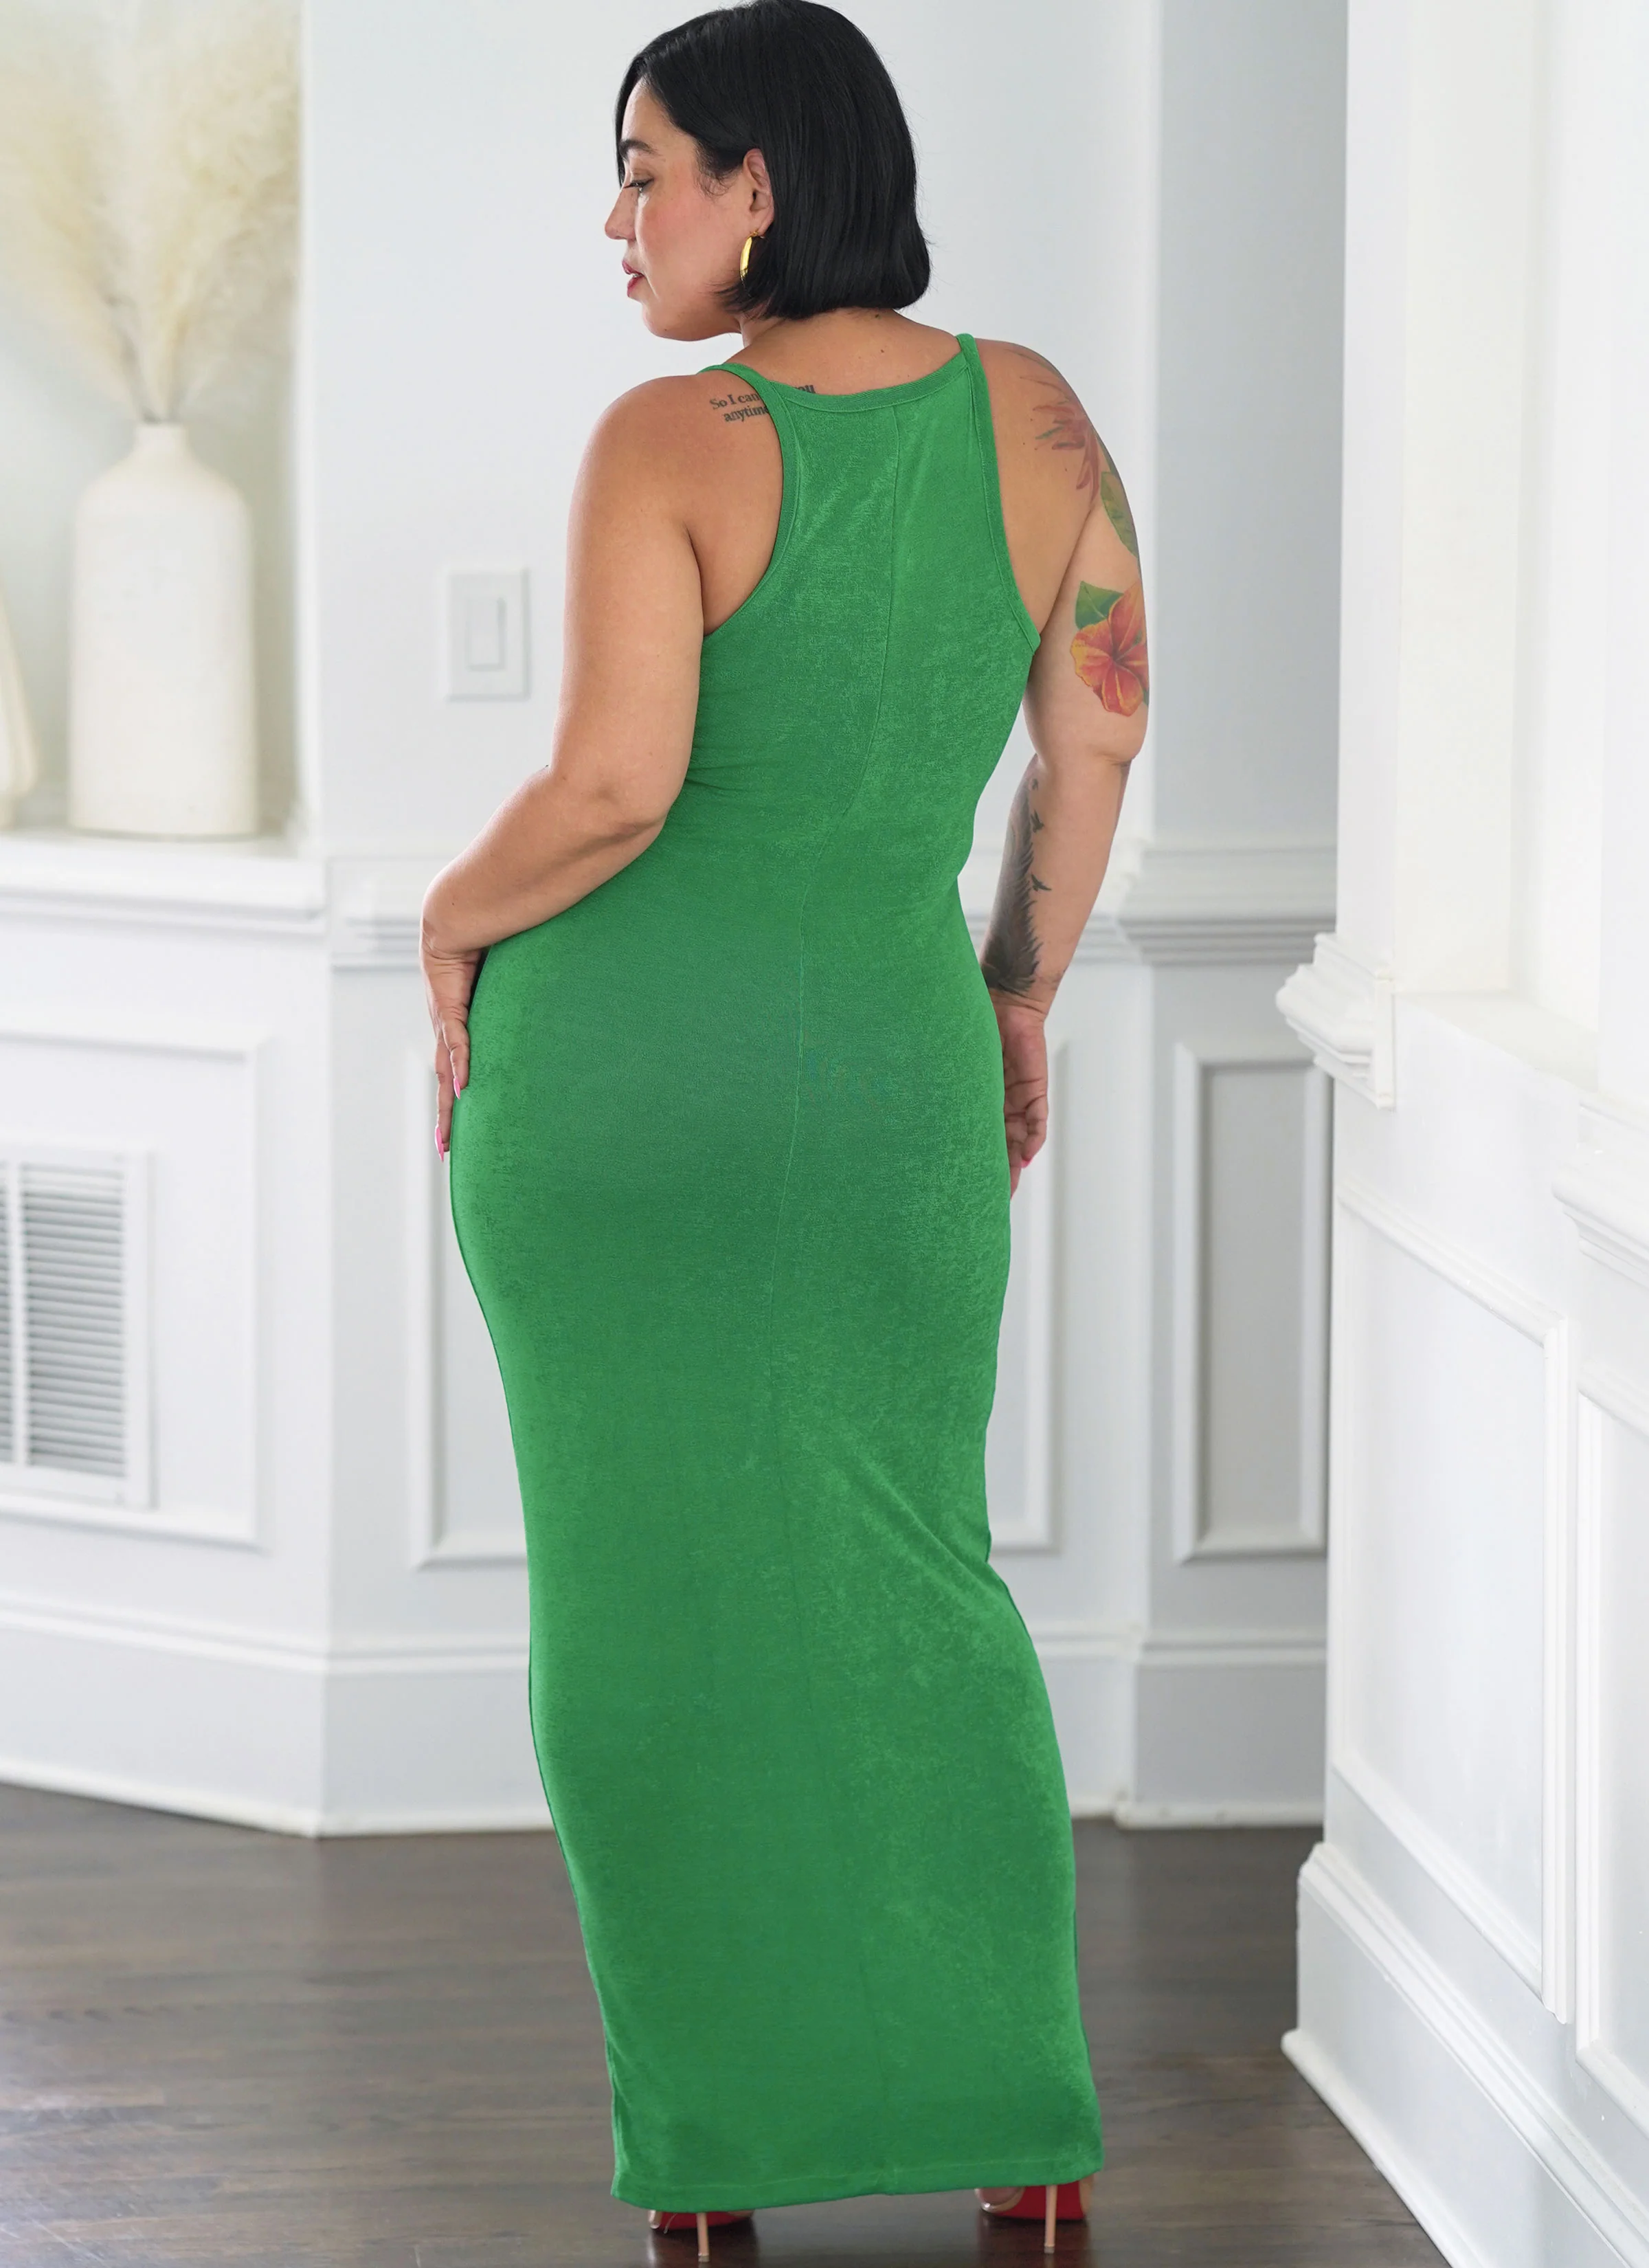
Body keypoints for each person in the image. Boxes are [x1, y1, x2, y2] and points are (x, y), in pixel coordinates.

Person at [420, 2, 1149, 2255]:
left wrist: (447, 921)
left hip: (622, 1090)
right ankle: (1021, 2120)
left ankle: (717, 2161)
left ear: (761, 183)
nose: (619, 217)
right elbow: (1099, 742)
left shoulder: (671, 439)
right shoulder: (1041, 420)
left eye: (647, 167)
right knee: (921, 1581)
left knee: (643, 1621)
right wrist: (1013, 994)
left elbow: (614, 788)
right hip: (892, 1076)